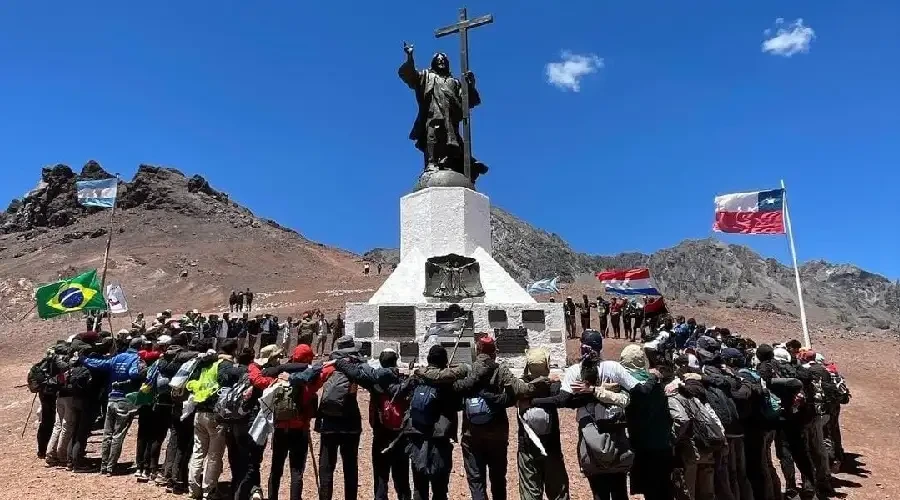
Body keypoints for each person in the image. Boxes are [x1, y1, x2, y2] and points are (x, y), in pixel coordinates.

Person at [455, 336, 540, 500]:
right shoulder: (501, 370)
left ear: (477, 350)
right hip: (497, 433)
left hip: (471, 434)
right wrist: (542, 383)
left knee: (476, 479)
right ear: (494, 352)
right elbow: (520, 389)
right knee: (498, 478)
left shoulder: (468, 370)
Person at [331, 348, 410, 500]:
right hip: (401, 434)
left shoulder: (375, 381)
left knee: (381, 476)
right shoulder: (404, 379)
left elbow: (355, 373)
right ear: (395, 361)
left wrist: (339, 362)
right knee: (402, 478)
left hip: (381, 434)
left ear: (381, 362)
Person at [251, 344, 319, 500]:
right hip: (300, 428)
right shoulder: (308, 377)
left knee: (276, 468)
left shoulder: (280, 374)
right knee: (296, 470)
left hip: (280, 428)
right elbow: (312, 405)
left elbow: (263, 384)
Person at [402, 345, 469, 500]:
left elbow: (406, 398)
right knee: (439, 489)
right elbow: (458, 405)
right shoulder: (449, 382)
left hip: (417, 436)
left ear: (428, 359)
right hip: (440, 438)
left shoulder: (417, 377)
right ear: (444, 360)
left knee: (419, 487)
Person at [314, 335, 367, 500]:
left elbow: (313, 382)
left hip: (329, 421)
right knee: (350, 465)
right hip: (351, 420)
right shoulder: (358, 367)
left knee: (327, 466)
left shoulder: (329, 368)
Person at [82, 336, 145, 475]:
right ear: (140, 347)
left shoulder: (117, 357)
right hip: (125, 400)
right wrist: (143, 371)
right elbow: (134, 373)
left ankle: (103, 466)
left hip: (111, 399)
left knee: (107, 434)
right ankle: (111, 467)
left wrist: (83, 359)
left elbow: (99, 364)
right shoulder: (136, 359)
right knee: (118, 435)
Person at [515, 348, 570, 500]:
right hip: (551, 446)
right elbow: (561, 398)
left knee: (530, 491)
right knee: (558, 490)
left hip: (527, 446)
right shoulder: (553, 386)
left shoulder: (521, 387)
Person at [184, 340, 237, 499]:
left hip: (199, 412)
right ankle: (209, 490)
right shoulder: (223, 366)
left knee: (198, 451)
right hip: (215, 415)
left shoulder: (205, 366)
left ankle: (193, 489)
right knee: (214, 455)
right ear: (233, 351)